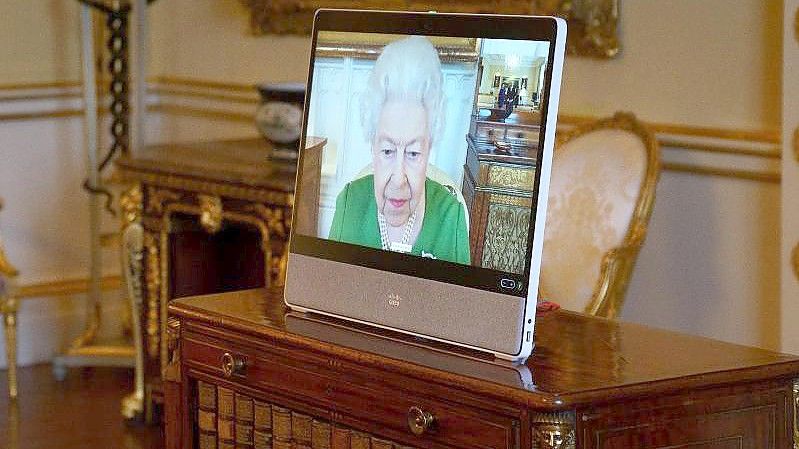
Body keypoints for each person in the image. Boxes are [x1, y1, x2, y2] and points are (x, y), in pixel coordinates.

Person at [328, 36, 470, 265]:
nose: (398, 179)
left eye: (413, 153)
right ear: (372, 146)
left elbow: (462, 301)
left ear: (429, 149)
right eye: (387, 151)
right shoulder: (349, 203)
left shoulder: (450, 216)